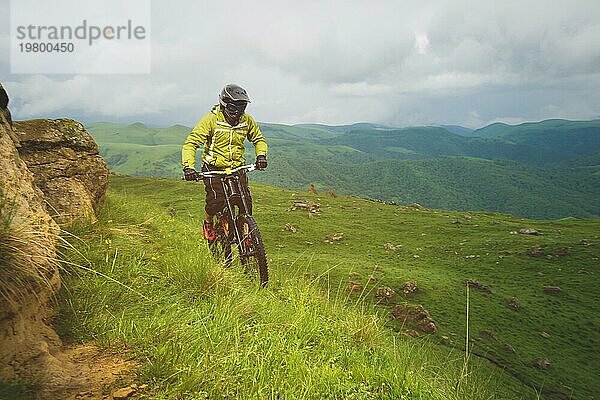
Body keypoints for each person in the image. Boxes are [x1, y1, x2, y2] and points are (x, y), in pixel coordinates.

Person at [181, 84, 268, 242]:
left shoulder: (247, 121)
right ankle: (208, 223)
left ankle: (247, 236)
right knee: (215, 202)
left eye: (242, 108)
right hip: (214, 168)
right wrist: (188, 167)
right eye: (233, 107)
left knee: (246, 203)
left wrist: (261, 156)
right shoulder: (211, 120)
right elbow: (191, 144)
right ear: (223, 104)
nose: (237, 112)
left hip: (236, 168)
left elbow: (259, 139)